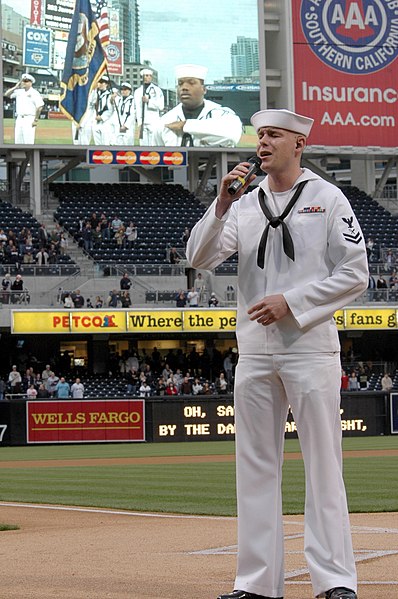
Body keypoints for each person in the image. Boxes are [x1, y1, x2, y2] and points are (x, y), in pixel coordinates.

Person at [186, 108, 369, 599]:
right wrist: (221, 204)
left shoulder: (328, 198)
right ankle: (257, 584)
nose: (262, 142)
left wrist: (293, 301)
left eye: (273, 135)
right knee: (255, 466)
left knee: (323, 464)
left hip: (308, 346)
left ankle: (335, 581)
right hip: (254, 350)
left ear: (298, 145)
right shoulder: (245, 205)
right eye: (260, 135)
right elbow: (198, 258)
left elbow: (355, 273)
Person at [153, 64, 242, 147]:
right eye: (180, 83)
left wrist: (186, 125)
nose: (184, 87)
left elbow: (232, 134)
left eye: (191, 83)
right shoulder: (165, 121)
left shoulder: (221, 113)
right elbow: (157, 156)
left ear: (204, 89)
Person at [4, 73, 44, 144]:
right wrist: (15, 87)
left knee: (28, 142)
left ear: (31, 83)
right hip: (19, 118)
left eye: (26, 81)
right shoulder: (19, 91)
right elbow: (6, 94)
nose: (24, 83)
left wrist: (36, 120)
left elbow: (40, 107)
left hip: (29, 119)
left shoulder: (35, 93)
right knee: (18, 142)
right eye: (23, 81)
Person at [134, 68, 164, 145]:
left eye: (150, 76)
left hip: (153, 120)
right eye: (146, 75)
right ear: (143, 77)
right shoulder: (137, 91)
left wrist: (149, 102)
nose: (148, 77)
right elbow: (137, 107)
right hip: (142, 121)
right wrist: (139, 121)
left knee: (153, 144)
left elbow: (161, 106)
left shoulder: (157, 90)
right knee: (143, 144)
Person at [92, 75, 114, 145]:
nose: (100, 84)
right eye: (99, 82)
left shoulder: (109, 95)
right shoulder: (95, 93)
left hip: (105, 122)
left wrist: (102, 117)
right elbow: (92, 103)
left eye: (102, 83)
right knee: (97, 144)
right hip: (96, 121)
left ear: (106, 84)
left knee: (105, 144)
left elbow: (110, 109)